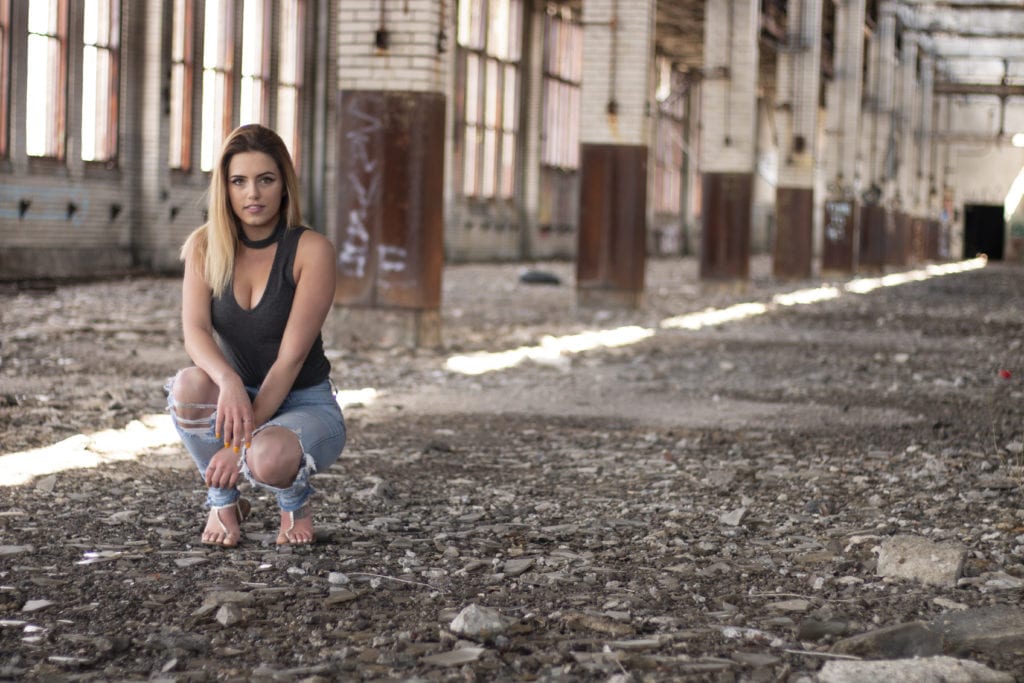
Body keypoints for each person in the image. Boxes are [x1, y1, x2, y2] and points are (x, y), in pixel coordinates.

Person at [165, 123, 346, 547]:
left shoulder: (311, 251)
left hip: (302, 401)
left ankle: (295, 499)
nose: (253, 194)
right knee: (189, 383)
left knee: (266, 458)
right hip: (237, 395)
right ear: (224, 189)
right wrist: (227, 381)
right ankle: (223, 502)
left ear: (284, 186)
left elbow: (290, 360)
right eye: (239, 181)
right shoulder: (205, 247)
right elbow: (194, 332)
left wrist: (238, 444)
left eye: (266, 180)